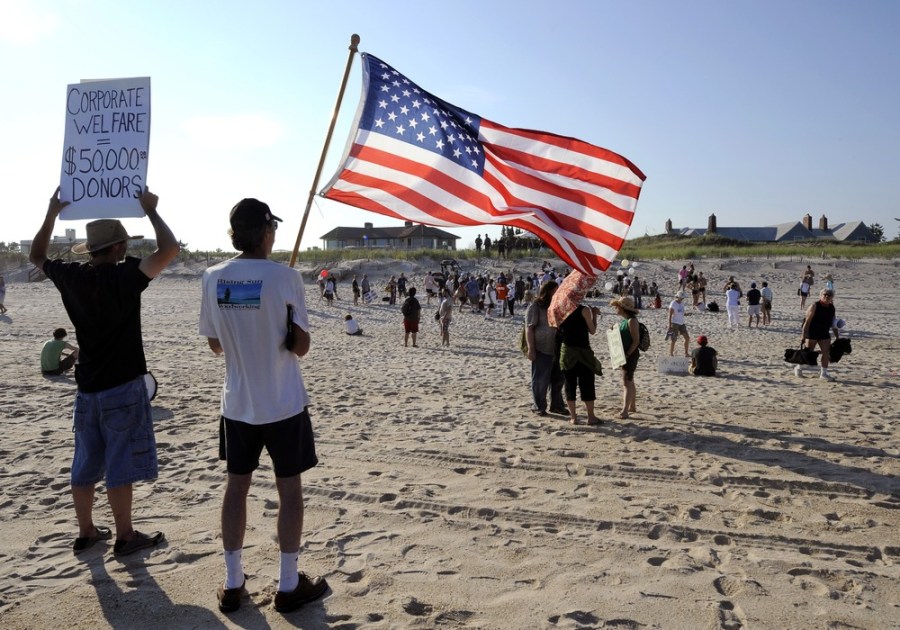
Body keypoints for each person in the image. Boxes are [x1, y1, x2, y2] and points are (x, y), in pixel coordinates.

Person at [30, 186, 178, 556]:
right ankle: (125, 535)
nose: (126, 248)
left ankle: (87, 531)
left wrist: (51, 213)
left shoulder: (71, 276)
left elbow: (36, 255)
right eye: (123, 243)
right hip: (122, 385)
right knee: (119, 464)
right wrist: (152, 212)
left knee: (85, 462)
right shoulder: (125, 276)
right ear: (115, 248)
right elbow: (170, 250)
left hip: (87, 386)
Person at [199, 198, 327, 613]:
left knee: (237, 485)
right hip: (284, 402)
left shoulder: (213, 277)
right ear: (267, 231)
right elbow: (301, 347)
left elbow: (215, 344)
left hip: (238, 404)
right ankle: (288, 585)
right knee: (289, 489)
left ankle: (233, 582)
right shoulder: (285, 277)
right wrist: (283, 325)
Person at [558, 299, 603, 426]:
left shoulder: (560, 310)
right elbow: (592, 330)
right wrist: (593, 314)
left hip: (567, 351)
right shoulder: (584, 310)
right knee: (587, 383)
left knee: (569, 384)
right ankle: (591, 417)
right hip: (583, 351)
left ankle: (573, 417)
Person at [525, 281, 566, 416]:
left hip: (557, 347)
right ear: (549, 291)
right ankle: (539, 406)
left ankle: (557, 405)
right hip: (541, 347)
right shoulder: (536, 306)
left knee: (558, 379)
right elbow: (529, 328)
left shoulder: (557, 306)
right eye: (555, 290)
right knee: (540, 380)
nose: (557, 292)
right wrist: (531, 348)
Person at [797, 288, 840, 381]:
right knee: (809, 354)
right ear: (821, 296)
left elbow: (834, 323)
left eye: (829, 295)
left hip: (824, 333)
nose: (827, 296)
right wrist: (803, 335)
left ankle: (823, 374)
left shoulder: (832, 308)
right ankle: (799, 368)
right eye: (825, 294)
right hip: (812, 332)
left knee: (826, 353)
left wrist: (837, 336)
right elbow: (806, 322)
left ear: (832, 297)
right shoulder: (814, 306)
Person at [610, 296, 640, 419]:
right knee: (630, 380)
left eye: (617, 306)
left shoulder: (631, 321)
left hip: (630, 354)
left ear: (622, 308)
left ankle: (625, 411)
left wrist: (627, 355)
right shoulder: (624, 321)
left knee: (626, 382)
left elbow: (636, 341)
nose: (615, 308)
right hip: (625, 354)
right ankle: (632, 406)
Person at [667, 291, 690, 357]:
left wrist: (686, 314)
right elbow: (670, 315)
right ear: (678, 297)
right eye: (681, 298)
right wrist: (669, 325)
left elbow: (681, 313)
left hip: (681, 323)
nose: (682, 299)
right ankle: (671, 353)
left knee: (687, 338)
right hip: (675, 323)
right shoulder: (673, 303)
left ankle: (686, 353)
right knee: (674, 339)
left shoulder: (682, 303)